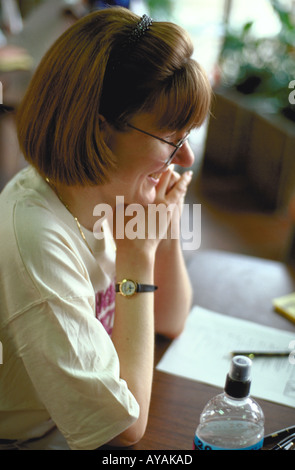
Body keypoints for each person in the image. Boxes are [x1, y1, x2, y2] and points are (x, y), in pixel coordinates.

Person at [0, 7, 211, 450]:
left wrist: (162, 231)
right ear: (99, 129)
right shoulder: (36, 235)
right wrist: (135, 259)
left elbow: (170, 321)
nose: (186, 158)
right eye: (172, 137)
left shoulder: (115, 193)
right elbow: (122, 430)